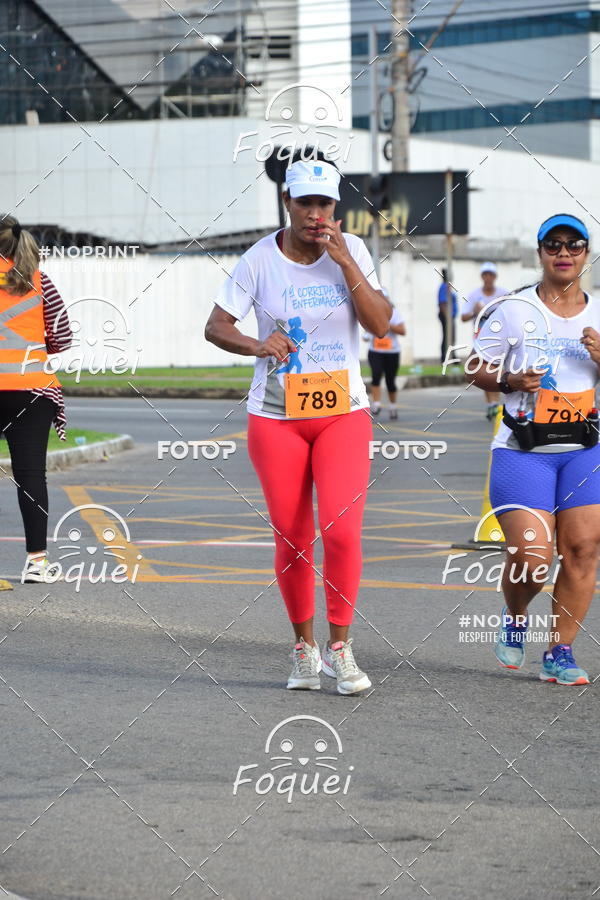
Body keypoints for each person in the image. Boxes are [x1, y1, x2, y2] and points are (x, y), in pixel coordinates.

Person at [205, 154, 391, 695]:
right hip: (277, 418)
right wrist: (256, 344)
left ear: (337, 206)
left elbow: (380, 325)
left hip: (342, 415)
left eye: (325, 204)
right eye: (305, 203)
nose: (316, 215)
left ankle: (341, 648)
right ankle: (304, 649)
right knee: (293, 537)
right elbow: (216, 326)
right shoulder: (260, 259)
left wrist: (348, 265)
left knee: (343, 530)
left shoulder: (351, 250)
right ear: (287, 203)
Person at [468, 213, 600, 685]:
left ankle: (560, 651)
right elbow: (474, 367)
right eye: (554, 244)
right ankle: (516, 612)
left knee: (583, 549)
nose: (564, 252)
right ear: (540, 252)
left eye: (574, 244)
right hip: (523, 449)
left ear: (586, 253)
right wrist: (507, 380)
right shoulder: (513, 310)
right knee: (533, 557)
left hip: (584, 449)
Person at [0, 214, 72, 583]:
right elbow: (62, 338)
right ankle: (37, 563)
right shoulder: (41, 282)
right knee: (30, 476)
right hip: (32, 391)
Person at [462, 262, 508, 420]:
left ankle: (495, 404)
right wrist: (474, 311)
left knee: (496, 370)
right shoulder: (474, 296)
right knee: (485, 370)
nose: (488, 277)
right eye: (485, 274)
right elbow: (463, 317)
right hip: (481, 338)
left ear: (495, 277)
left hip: (501, 339)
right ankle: (491, 404)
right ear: (482, 276)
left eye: (491, 275)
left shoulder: (503, 294)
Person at [364, 292, 406, 420]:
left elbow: (403, 331)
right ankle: (376, 404)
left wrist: (387, 325)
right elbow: (366, 334)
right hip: (375, 351)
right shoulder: (371, 311)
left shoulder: (394, 313)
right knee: (376, 375)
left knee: (390, 381)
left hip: (392, 352)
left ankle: (393, 407)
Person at [437, 268, 457, 366]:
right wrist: (447, 317)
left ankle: (452, 356)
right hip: (446, 316)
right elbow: (442, 303)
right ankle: (445, 358)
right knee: (447, 337)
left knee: (451, 337)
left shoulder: (448, 286)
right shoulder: (444, 287)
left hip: (450, 316)